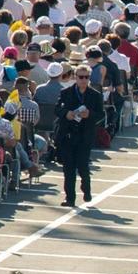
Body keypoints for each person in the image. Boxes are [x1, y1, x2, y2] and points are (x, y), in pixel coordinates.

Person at [56, 64, 106, 208]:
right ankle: (70, 198)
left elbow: (101, 115)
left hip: (85, 135)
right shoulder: (66, 92)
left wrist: (90, 114)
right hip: (68, 134)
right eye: (81, 77)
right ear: (75, 78)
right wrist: (67, 113)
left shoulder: (95, 95)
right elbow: (57, 109)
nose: (84, 80)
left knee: (83, 166)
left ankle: (86, 188)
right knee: (68, 168)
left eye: (86, 77)